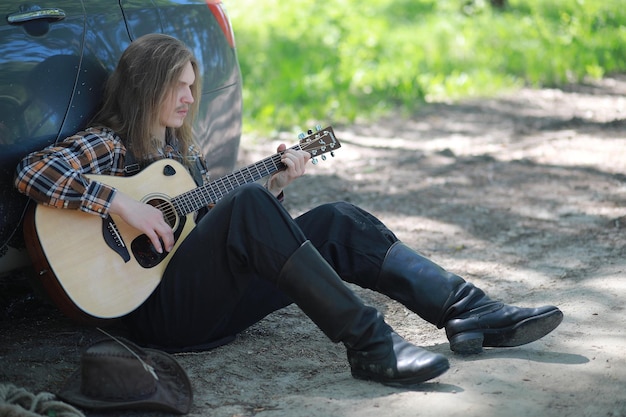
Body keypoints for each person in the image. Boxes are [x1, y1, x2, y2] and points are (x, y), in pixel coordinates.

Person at [14, 34, 563, 388]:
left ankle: (468, 309)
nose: (188, 98)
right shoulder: (109, 145)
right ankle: (371, 345)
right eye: (177, 86)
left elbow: (213, 234)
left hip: (203, 303)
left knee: (338, 220)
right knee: (250, 204)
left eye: (192, 86)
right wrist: (123, 204)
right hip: (152, 315)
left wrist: (275, 184)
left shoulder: (184, 158)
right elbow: (31, 172)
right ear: (145, 87)